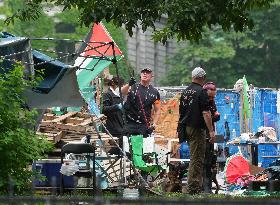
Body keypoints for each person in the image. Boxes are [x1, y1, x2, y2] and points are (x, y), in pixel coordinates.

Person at [177, 67, 215, 195]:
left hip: (185, 127)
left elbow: (181, 112)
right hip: (197, 128)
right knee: (197, 158)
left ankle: (192, 186)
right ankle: (193, 188)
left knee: (194, 156)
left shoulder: (186, 91)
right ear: (202, 78)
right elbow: (206, 113)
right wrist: (211, 131)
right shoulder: (201, 92)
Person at [102, 76, 136, 154]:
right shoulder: (107, 94)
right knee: (116, 147)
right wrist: (117, 106)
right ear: (114, 84)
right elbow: (104, 109)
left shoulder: (119, 96)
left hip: (120, 125)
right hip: (112, 126)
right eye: (120, 85)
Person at [124, 67, 161, 138]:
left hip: (144, 125)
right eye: (143, 72)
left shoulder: (155, 92)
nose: (145, 73)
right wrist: (129, 84)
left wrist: (154, 123)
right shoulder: (133, 86)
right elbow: (122, 92)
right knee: (127, 147)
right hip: (129, 123)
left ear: (151, 76)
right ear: (140, 75)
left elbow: (158, 110)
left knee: (141, 147)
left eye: (147, 72)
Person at [202, 82, 220, 194]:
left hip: (211, 133)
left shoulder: (212, 102)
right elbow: (204, 117)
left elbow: (215, 114)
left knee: (210, 161)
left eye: (213, 96)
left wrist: (216, 116)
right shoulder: (202, 102)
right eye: (210, 96)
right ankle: (202, 187)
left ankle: (208, 187)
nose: (212, 98)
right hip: (202, 133)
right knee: (203, 161)